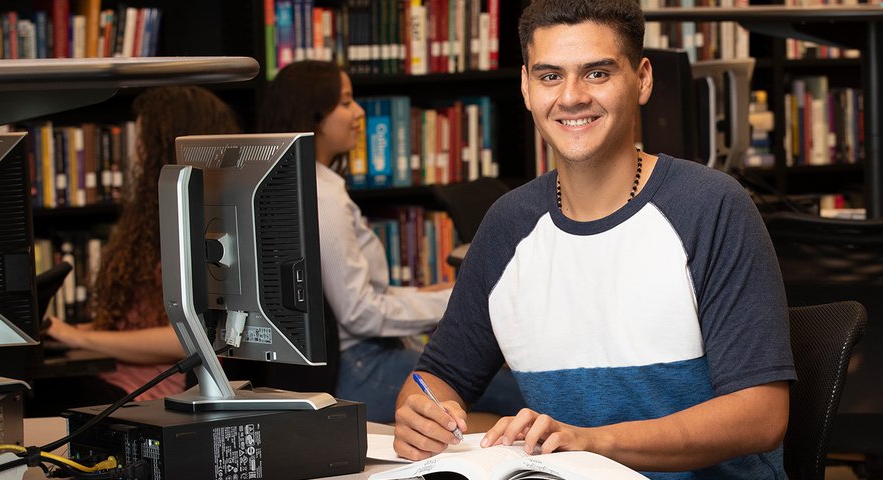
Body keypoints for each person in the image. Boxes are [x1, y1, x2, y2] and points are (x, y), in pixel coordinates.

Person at [392, 1, 795, 477]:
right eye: (549, 77)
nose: (571, 97)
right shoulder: (508, 225)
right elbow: (436, 376)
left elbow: (761, 414)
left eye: (597, 74)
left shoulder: (711, 207)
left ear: (642, 79)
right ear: (525, 87)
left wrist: (593, 443)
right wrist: (422, 409)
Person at [258, 60, 523, 424]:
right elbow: (360, 313)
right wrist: (458, 303)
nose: (359, 112)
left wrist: (439, 294)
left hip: (359, 357)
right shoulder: (322, 196)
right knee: (517, 387)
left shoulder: (298, 186)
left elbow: (355, 296)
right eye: (346, 101)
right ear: (315, 114)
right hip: (360, 366)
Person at [38, 86, 243, 414]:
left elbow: (192, 337)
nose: (135, 147)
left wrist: (80, 338)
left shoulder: (204, 226)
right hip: (114, 383)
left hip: (143, 395)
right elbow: (133, 324)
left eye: (143, 134)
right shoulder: (151, 219)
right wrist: (65, 331)